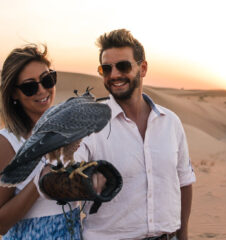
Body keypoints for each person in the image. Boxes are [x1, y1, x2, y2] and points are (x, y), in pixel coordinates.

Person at [74, 29, 196, 240]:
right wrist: (82, 179)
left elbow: (184, 181)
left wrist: (183, 235)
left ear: (143, 68)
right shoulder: (89, 125)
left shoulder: (171, 122)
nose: (114, 75)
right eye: (106, 69)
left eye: (123, 66)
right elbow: (68, 173)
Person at [0, 45, 81, 239]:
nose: (42, 90)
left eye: (47, 80)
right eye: (29, 87)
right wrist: (40, 182)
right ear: (14, 93)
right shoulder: (9, 142)